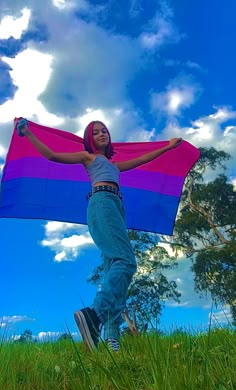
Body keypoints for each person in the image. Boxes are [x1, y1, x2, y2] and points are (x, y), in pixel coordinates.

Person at [15, 118, 182, 352]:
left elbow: (143, 159)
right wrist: (28, 133)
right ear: (89, 138)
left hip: (116, 206)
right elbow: (52, 156)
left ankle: (112, 338)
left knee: (112, 270)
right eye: (96, 132)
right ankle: (94, 315)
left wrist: (168, 146)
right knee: (126, 261)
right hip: (101, 202)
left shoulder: (114, 165)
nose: (102, 133)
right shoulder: (88, 158)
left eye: (104, 130)